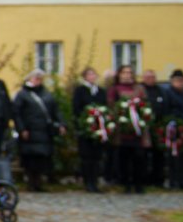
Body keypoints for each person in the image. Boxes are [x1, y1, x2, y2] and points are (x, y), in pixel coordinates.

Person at [12, 69, 65, 191]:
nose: (38, 81)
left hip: (44, 131)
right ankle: (31, 182)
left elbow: (55, 110)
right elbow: (17, 113)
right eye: (35, 78)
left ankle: (39, 183)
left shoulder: (46, 94)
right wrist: (22, 129)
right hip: (29, 131)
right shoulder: (22, 94)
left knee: (42, 158)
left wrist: (62, 124)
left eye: (40, 78)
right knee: (30, 158)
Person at [108, 66, 150, 194]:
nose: (127, 75)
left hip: (138, 129)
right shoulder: (114, 89)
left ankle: (139, 184)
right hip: (122, 130)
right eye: (124, 73)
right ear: (119, 75)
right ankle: (126, 184)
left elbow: (145, 105)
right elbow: (111, 105)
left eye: (129, 73)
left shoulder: (139, 88)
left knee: (139, 157)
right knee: (123, 158)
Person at [71, 67, 108, 192]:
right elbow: (76, 108)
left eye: (94, 74)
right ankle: (88, 182)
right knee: (86, 157)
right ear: (85, 77)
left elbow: (105, 106)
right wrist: (85, 120)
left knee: (97, 156)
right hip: (86, 127)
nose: (92, 77)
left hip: (99, 127)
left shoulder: (101, 91)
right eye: (89, 74)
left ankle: (95, 181)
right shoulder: (80, 90)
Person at [139, 69, 169, 187]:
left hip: (159, 126)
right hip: (144, 127)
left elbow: (166, 106)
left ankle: (158, 179)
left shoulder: (161, 90)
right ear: (143, 78)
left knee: (159, 155)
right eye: (148, 77)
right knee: (143, 155)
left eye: (152, 77)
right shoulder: (140, 89)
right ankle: (144, 179)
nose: (150, 79)